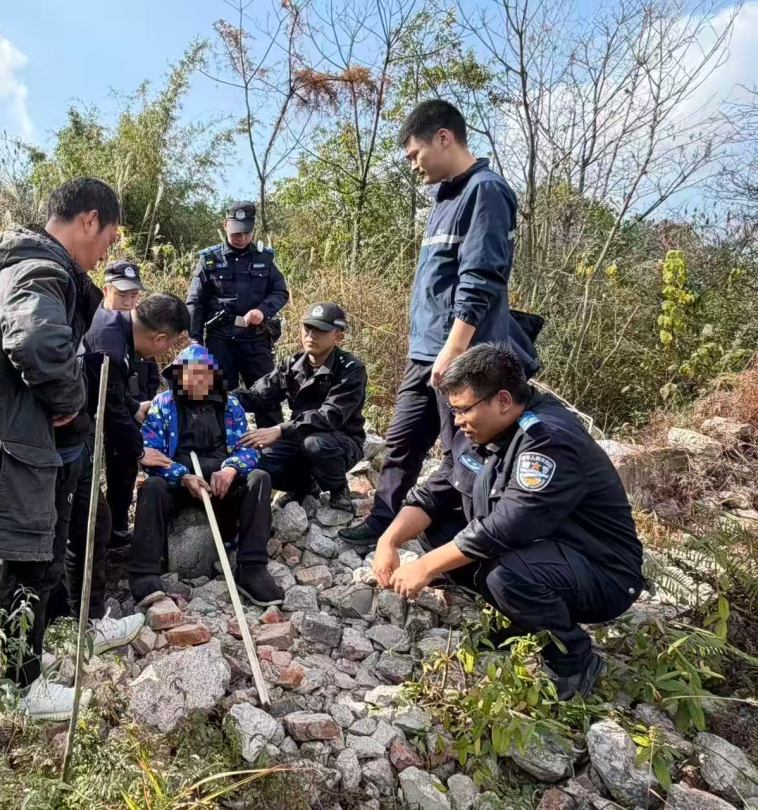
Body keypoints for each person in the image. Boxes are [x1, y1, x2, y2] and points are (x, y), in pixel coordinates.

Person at [0, 178, 141, 719]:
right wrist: (71, 404)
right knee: (29, 564)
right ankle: (22, 689)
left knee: (37, 558)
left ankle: (27, 667)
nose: (107, 252)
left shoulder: (8, 268)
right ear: (88, 219)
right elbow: (36, 342)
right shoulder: (42, 270)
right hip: (23, 443)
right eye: (109, 237)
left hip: (10, 436)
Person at [371, 344, 644, 700]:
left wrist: (425, 567)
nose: (457, 421)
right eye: (453, 411)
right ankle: (521, 621)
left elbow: (507, 526)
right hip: (546, 550)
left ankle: (573, 659)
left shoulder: (547, 440)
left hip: (602, 571)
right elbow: (438, 491)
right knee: (437, 531)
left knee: (507, 575)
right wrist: (388, 541)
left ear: (502, 400)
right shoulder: (485, 431)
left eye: (463, 410)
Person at [341, 99, 537, 548]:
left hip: (462, 355)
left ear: (443, 138)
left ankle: (469, 540)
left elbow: (481, 276)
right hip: (425, 350)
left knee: (464, 452)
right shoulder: (445, 197)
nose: (412, 165)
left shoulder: (485, 192)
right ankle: (385, 521)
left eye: (414, 154)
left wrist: (454, 349)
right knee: (403, 441)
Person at [130, 344, 283, 609]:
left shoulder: (230, 405)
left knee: (259, 478)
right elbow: (150, 451)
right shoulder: (164, 404)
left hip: (221, 487)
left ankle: (251, 568)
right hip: (181, 486)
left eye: (203, 374)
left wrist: (230, 469)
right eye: (188, 374)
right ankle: (144, 573)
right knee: (152, 486)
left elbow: (247, 449)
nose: (195, 381)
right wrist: (182, 476)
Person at [69, 292, 191, 621]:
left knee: (95, 521)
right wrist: (140, 451)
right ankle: (85, 616)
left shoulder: (116, 327)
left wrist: (136, 408)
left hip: (75, 425)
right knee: (92, 523)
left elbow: (117, 395)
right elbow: (109, 409)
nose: (164, 352)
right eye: (169, 345)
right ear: (161, 337)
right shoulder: (109, 347)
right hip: (67, 433)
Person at [236, 303, 368, 513]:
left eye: (320, 330)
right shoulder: (292, 364)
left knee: (314, 443)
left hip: (340, 441)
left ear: (338, 336)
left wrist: (280, 430)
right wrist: (217, 397)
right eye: (307, 328)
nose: (311, 335)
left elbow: (328, 416)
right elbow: (258, 396)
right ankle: (304, 486)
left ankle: (339, 492)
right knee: (253, 460)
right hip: (298, 437)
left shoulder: (350, 369)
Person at [187, 202, 288, 428]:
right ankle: (224, 452)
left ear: (253, 230)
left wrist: (262, 310)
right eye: (235, 233)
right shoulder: (209, 260)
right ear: (225, 226)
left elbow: (281, 291)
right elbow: (195, 302)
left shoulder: (265, 259)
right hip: (220, 340)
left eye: (245, 233)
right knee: (219, 397)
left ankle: (272, 453)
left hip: (255, 338)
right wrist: (195, 340)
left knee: (268, 396)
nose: (240, 238)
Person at [100, 260, 161, 545]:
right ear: (106, 291)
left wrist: (140, 408)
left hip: (130, 413)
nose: (128, 301)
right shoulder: (100, 330)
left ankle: (119, 526)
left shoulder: (138, 331)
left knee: (124, 467)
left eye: (134, 295)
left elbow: (151, 373)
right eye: (122, 294)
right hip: (103, 414)